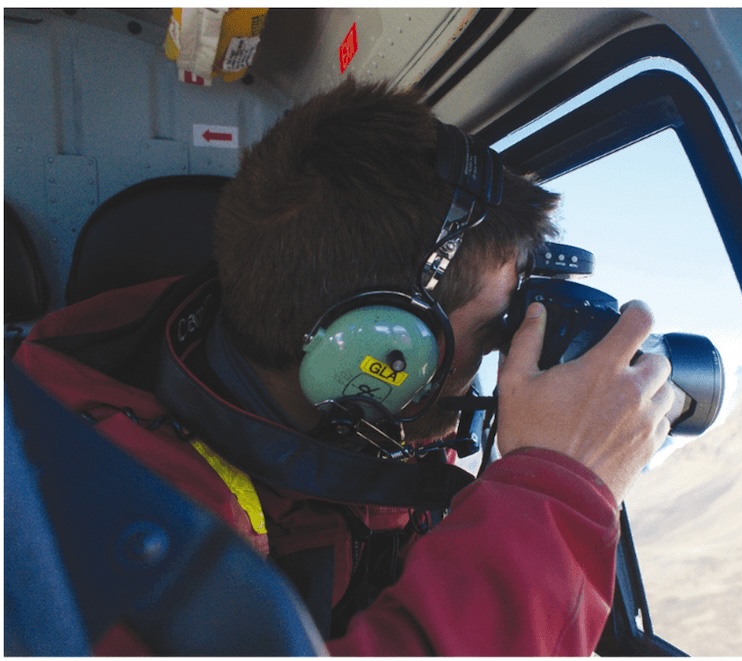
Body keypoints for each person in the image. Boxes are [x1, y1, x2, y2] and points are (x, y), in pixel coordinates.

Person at [13, 79, 675, 655]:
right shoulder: (112, 539)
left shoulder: (359, 441)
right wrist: (558, 493)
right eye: (489, 332)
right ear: (372, 351)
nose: (496, 368)